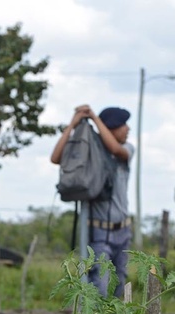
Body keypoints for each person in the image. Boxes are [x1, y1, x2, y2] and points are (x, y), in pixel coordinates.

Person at [51, 105, 135, 298]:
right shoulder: (91, 151)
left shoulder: (126, 149)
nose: (127, 129)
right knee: (100, 284)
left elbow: (114, 148)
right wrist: (73, 125)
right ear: (111, 128)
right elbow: (56, 158)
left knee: (119, 282)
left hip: (122, 230)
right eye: (123, 125)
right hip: (99, 232)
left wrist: (94, 118)